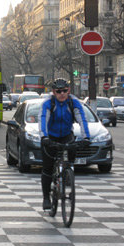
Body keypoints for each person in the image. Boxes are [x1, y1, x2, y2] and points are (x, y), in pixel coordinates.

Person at [39, 78, 90, 210]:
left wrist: (86, 137)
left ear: (69, 90)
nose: (62, 93)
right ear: (53, 92)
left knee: (72, 148)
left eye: (65, 91)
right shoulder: (48, 103)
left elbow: (82, 119)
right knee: (47, 168)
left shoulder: (74, 103)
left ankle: (68, 171)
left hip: (66, 135)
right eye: (58, 91)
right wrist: (44, 137)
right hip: (50, 137)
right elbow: (43, 120)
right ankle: (46, 197)